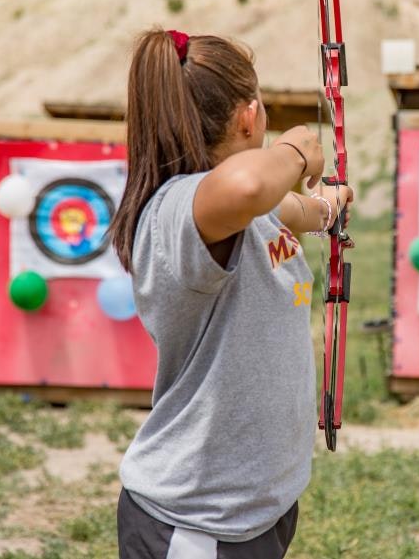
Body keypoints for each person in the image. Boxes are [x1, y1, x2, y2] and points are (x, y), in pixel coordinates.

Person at [108, 28, 353, 559]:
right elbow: (247, 186)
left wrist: (329, 207)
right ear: (249, 115)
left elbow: (290, 208)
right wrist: (296, 148)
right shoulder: (181, 209)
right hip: (195, 522)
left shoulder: (242, 209)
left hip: (250, 512)